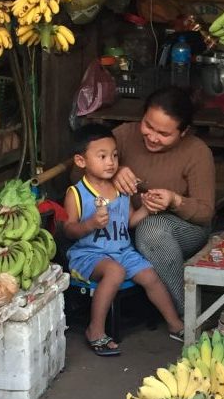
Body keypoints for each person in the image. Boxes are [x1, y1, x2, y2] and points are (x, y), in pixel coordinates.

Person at [63, 123, 183, 356]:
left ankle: (175, 323)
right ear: (81, 161)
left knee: (149, 275)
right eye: (102, 156)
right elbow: (69, 230)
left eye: (115, 156)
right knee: (115, 271)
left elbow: (128, 222)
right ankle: (95, 330)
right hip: (89, 255)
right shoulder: (76, 193)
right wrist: (90, 224)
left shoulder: (120, 190)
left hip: (121, 251)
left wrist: (147, 208)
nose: (111, 162)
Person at [111, 87, 215, 319]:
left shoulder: (197, 152)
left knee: (151, 230)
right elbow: (77, 173)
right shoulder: (124, 136)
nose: (152, 137)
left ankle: (188, 317)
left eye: (164, 133)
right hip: (125, 225)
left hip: (184, 229)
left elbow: (205, 213)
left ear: (184, 131)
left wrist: (175, 201)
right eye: (148, 126)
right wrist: (113, 171)